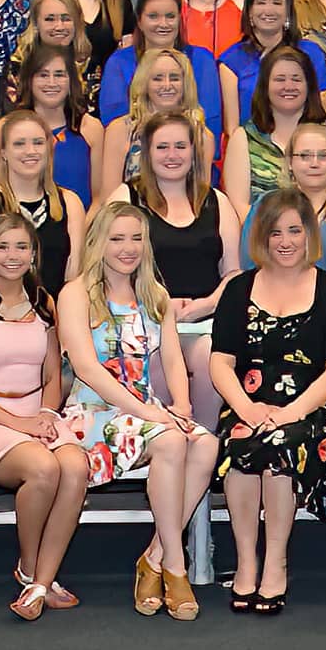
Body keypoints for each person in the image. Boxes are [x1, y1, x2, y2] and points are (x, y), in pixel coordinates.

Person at [57, 202, 219, 620]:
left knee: (204, 444)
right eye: (117, 238)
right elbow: (87, 369)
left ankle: (153, 556)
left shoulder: (155, 295)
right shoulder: (76, 294)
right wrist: (153, 415)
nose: (127, 248)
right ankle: (176, 567)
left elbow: (171, 362)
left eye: (135, 238)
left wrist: (180, 406)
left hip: (145, 411)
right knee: (169, 441)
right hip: (93, 412)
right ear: (98, 243)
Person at [210, 189, 326, 613]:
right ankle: (245, 561)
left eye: (295, 230)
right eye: (276, 233)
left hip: (310, 407)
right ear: (262, 237)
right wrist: (247, 409)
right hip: (248, 402)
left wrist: (291, 412)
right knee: (240, 445)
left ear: (309, 233)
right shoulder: (239, 289)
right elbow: (221, 361)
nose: (286, 241)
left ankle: (276, 561)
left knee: (278, 448)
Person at [0, 214, 88, 621]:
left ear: (33, 254)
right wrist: (20, 424)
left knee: (75, 466)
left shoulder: (44, 302)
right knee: (43, 469)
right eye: (3, 247)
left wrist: (45, 413)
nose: (13, 256)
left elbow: (51, 375)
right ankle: (30, 572)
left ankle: (43, 584)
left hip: (37, 414)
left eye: (21, 247)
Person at [105, 110, 243, 429]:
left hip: (205, 320)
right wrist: (158, 304)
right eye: (162, 147)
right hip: (146, 320)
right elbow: (107, 268)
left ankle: (204, 445)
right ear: (147, 153)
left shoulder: (217, 202)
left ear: (194, 152)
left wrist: (208, 304)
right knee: (156, 360)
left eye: (180, 146)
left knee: (210, 358)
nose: (172, 155)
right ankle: (165, 443)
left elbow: (234, 272)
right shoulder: (126, 198)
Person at [0, 111, 85, 298]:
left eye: (38, 143)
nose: (30, 151)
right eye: (19, 144)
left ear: (50, 149)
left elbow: (73, 277)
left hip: (55, 315)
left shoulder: (70, 202)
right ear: (3, 153)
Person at [222, 45, 326, 220]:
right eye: (280, 79)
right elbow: (238, 208)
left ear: (309, 85)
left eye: (296, 79)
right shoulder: (243, 138)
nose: (288, 86)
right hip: (263, 239)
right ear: (265, 86)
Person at [239, 124, 326, 287]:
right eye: (305, 156)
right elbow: (250, 262)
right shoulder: (265, 204)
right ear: (290, 162)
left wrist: (312, 293)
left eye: (324, 156)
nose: (314, 163)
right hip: (272, 299)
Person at [96, 0, 223, 147]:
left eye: (170, 16)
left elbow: (210, 124)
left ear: (180, 20)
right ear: (139, 21)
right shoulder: (119, 62)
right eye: (153, 16)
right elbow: (113, 125)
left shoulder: (201, 60)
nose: (163, 24)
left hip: (193, 157)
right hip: (134, 160)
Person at [218, 0, 326, 134]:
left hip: (304, 146)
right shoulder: (231, 61)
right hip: (253, 151)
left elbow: (323, 115)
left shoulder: (310, 53)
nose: (268, 10)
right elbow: (232, 129)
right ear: (249, 10)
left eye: (277, 3)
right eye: (261, 2)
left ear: (288, 11)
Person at [0, 42, 104, 207]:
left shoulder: (91, 128)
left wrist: (78, 230)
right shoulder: (2, 130)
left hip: (84, 228)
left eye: (59, 75)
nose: (51, 83)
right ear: (29, 80)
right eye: (43, 75)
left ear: (71, 80)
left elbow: (99, 199)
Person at [98, 47, 213, 199]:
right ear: (144, 82)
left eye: (174, 78)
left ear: (185, 84)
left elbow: (201, 198)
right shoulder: (120, 130)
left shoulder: (201, 135)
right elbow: (109, 198)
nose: (167, 85)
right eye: (158, 78)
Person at [4, 0, 93, 108]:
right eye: (50, 19)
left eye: (66, 19)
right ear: (36, 23)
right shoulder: (18, 66)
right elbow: (11, 118)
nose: (59, 27)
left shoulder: (90, 64)